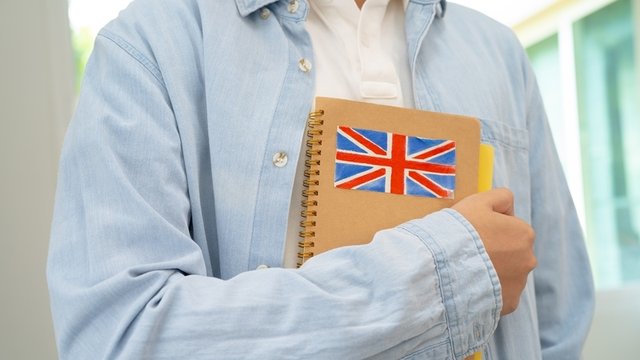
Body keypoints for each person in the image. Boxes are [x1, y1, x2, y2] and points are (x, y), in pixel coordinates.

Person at [47, 0, 594, 358]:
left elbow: (557, 323)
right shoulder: (150, 45)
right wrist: (448, 273)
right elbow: (121, 337)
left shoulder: (497, 52)